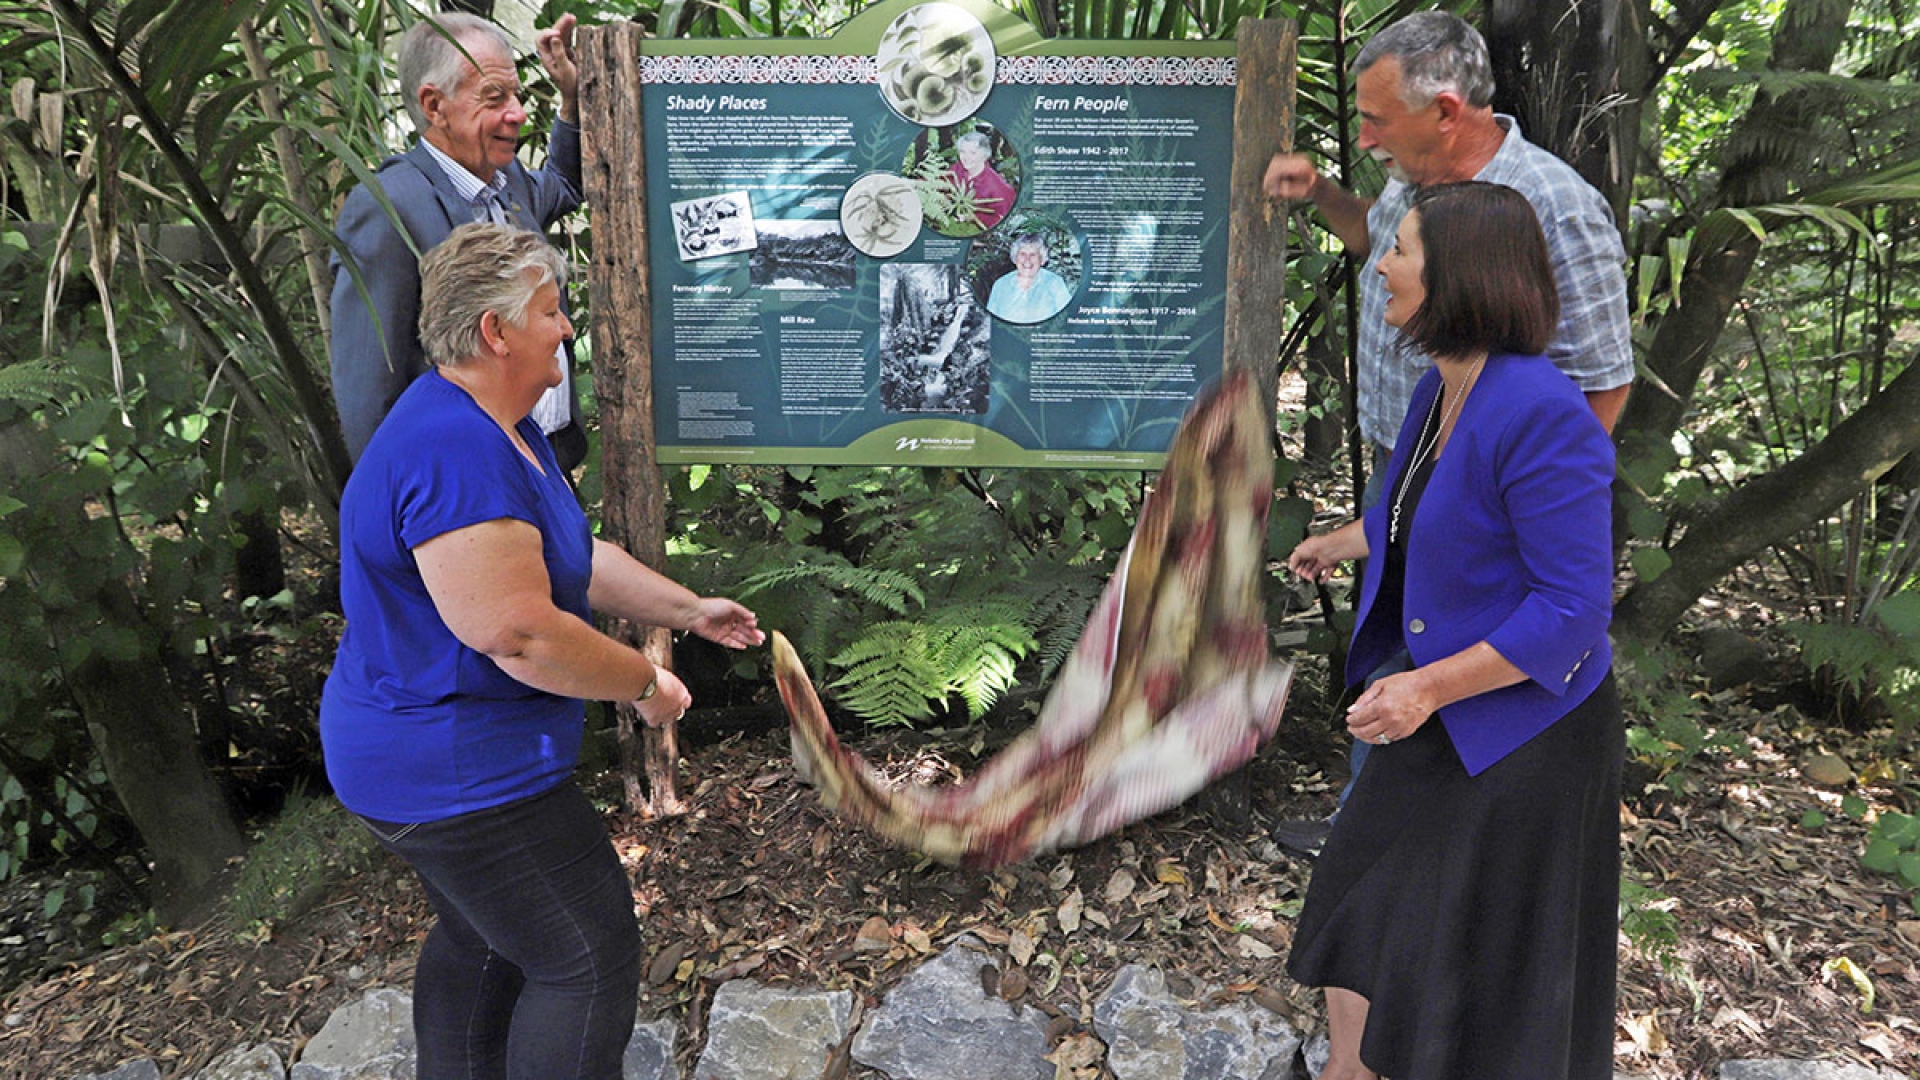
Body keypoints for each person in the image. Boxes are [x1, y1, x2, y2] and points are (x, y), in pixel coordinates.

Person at [321, 223, 766, 1080]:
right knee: (585, 958)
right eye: (552, 311)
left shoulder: (491, 422)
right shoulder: (455, 450)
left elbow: (569, 553)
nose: (567, 328)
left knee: (485, 938)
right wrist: (645, 684)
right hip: (457, 771)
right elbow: (517, 633)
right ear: (494, 331)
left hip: (421, 757)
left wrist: (688, 609)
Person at [1262, 11, 1634, 849]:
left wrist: (1521, 496)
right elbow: (1380, 249)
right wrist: (1321, 195)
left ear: (1446, 111)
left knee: (1456, 656)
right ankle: (1376, 822)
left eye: (1375, 121)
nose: (1364, 139)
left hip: (1501, 484)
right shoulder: (1417, 179)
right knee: (1401, 631)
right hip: (1417, 456)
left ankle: (1409, 838)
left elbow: (1604, 386)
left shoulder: (1551, 207)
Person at [1283, 182, 1621, 1080]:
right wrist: (1346, 540)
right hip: (1443, 706)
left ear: (1460, 276)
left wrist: (1427, 686)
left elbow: (1574, 608)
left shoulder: (1542, 410)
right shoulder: (1445, 388)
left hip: (1528, 730)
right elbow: (1420, 509)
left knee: (1488, 962)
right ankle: (1348, 1073)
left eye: (1400, 250)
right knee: (1355, 894)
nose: (1382, 265)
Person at [330, 12, 590, 469]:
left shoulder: (506, 180)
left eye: (515, 95)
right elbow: (369, 392)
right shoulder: (388, 208)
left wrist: (570, 97)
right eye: (494, 98)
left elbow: (565, 184)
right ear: (434, 106)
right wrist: (405, 513)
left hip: (545, 464)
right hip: (467, 485)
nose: (518, 113)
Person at [986, 234, 1073, 323]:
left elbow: (1067, 319)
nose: (1027, 260)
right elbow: (989, 322)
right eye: (1023, 254)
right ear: (1015, 258)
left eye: (1033, 254)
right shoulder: (1000, 285)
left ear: (1042, 260)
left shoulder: (1054, 283)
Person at [947, 131, 1016, 230]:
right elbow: (936, 182)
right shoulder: (957, 168)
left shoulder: (1000, 188)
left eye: (973, 153)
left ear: (984, 155)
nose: (966, 157)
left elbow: (1003, 221)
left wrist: (973, 218)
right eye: (962, 152)